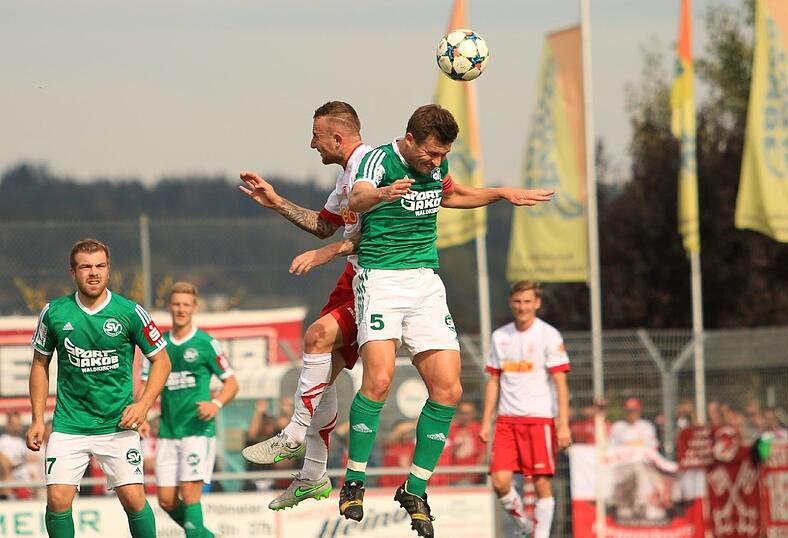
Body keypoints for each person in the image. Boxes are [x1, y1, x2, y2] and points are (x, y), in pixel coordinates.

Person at [339, 104, 553, 538]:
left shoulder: (437, 165)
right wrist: (383, 194)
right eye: (430, 155)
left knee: (449, 388)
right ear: (411, 139)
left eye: (442, 156)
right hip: (380, 277)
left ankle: (415, 488)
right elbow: (356, 197)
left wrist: (501, 193)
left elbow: (450, 194)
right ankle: (354, 480)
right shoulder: (376, 159)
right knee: (378, 380)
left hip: (425, 283)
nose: (435, 163)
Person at [238, 100, 374, 511]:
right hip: (351, 278)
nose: (311, 144)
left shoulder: (372, 167)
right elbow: (322, 225)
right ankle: (313, 475)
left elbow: (387, 232)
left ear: (337, 136)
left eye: (315, 136)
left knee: (316, 341)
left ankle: (294, 437)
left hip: (376, 280)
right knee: (317, 380)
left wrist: (329, 253)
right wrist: (277, 202)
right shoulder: (345, 180)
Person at [27, 238, 172, 538]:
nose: (93, 273)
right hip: (69, 424)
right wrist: (37, 419)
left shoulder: (130, 312)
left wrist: (143, 405)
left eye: (100, 266)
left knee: (133, 500)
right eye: (85, 267)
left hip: (117, 424)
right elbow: (39, 364)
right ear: (73, 272)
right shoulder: (54, 312)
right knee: (56, 500)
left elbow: (162, 361)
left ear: (108, 269)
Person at [142, 281, 238, 538]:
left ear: (194, 307)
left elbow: (231, 382)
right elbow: (143, 382)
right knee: (166, 501)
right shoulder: (159, 344)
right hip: (167, 432)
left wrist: (215, 404)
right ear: (169, 307)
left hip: (197, 431)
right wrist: (141, 412)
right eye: (176, 304)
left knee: (190, 497)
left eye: (186, 304)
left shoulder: (206, 343)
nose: (181, 309)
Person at [479, 281, 571, 538]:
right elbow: (494, 381)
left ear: (537, 303)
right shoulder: (500, 337)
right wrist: (486, 421)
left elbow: (560, 383)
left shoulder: (549, 335)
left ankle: (540, 536)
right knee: (500, 482)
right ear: (511, 303)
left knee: (541, 483)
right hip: (507, 422)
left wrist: (563, 424)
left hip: (539, 420)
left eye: (528, 301)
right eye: (518, 302)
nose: (523, 307)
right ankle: (524, 526)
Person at [0, 413, 29, 499]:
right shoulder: (3, 441)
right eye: (14, 424)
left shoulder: (22, 442)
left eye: (18, 424)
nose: (17, 427)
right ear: (8, 425)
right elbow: (4, 462)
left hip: (25, 483)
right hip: (11, 486)